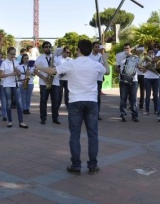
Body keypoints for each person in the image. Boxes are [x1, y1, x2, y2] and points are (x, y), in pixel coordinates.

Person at [37, 39, 105, 175]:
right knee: (93, 135)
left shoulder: (71, 63)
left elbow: (51, 71)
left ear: (78, 49)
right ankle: (93, 165)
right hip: (91, 101)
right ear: (90, 50)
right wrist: (106, 59)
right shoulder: (95, 64)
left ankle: (76, 165)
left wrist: (39, 67)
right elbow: (107, 71)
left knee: (75, 134)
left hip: (75, 101)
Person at [0, 47, 29, 129]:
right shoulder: (4, 63)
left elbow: (19, 75)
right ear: (8, 53)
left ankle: (21, 121)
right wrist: (10, 74)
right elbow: (0, 75)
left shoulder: (16, 62)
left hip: (15, 83)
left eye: (14, 54)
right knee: (8, 102)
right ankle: (10, 121)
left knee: (19, 102)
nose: (13, 55)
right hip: (7, 84)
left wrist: (18, 72)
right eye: (11, 54)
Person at [35, 41, 61, 124]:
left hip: (55, 82)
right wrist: (44, 78)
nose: (48, 48)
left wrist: (54, 72)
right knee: (43, 101)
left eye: (49, 46)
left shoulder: (56, 58)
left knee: (55, 101)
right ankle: (43, 118)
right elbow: (35, 70)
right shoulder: (39, 58)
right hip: (44, 82)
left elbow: (60, 69)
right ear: (43, 48)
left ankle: (55, 118)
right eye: (46, 46)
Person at [117, 43, 139, 122]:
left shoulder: (135, 57)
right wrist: (119, 71)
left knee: (133, 98)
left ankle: (135, 115)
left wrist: (131, 57)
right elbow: (117, 67)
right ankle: (123, 115)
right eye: (125, 48)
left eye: (127, 48)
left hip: (133, 80)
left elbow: (139, 66)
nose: (126, 50)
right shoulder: (119, 56)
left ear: (130, 49)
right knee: (123, 98)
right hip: (123, 79)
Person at [89, 42, 108, 120]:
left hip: (98, 79)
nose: (97, 48)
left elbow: (102, 66)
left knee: (97, 98)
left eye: (98, 47)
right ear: (93, 47)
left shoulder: (101, 56)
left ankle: (97, 114)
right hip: (90, 79)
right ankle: (89, 114)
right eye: (96, 47)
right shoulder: (88, 56)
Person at [141, 47, 159, 115]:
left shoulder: (156, 59)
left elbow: (159, 69)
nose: (151, 54)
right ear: (147, 53)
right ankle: (147, 110)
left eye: (152, 53)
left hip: (156, 78)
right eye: (150, 53)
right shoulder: (145, 60)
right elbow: (143, 71)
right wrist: (147, 66)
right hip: (147, 78)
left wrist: (154, 63)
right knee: (148, 94)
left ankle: (156, 110)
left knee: (155, 95)